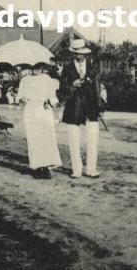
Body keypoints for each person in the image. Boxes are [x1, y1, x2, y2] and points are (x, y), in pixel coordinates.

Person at [59, 39, 102, 178]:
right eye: (77, 54)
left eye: (82, 54)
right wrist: (72, 85)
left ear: (86, 54)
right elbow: (61, 90)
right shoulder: (67, 68)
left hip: (91, 108)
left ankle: (91, 169)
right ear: (73, 54)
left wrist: (99, 105)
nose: (80, 56)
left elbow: (97, 87)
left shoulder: (93, 68)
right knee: (73, 140)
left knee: (93, 139)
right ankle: (76, 170)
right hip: (74, 108)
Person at [19, 62, 62, 179]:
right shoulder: (25, 80)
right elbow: (20, 98)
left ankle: (46, 167)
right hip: (31, 111)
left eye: (38, 66)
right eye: (33, 66)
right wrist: (23, 99)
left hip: (44, 110)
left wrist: (56, 114)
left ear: (42, 67)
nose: (36, 69)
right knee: (34, 139)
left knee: (47, 138)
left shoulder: (46, 78)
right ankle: (37, 167)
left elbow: (52, 97)